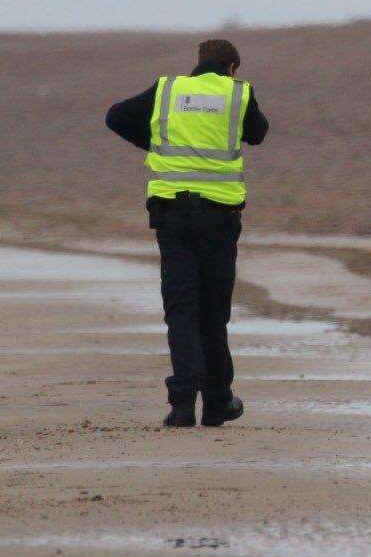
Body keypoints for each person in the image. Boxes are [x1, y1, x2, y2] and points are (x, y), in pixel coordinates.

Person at [106, 38, 268, 428]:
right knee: (213, 311)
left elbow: (115, 117)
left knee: (181, 307)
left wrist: (157, 141)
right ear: (232, 68)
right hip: (219, 216)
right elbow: (259, 133)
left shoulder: (168, 89)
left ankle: (181, 405)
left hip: (172, 214)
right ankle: (216, 403)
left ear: (197, 63)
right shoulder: (238, 93)